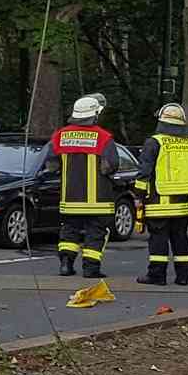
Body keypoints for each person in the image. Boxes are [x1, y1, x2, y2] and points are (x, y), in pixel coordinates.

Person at [40, 95, 120, 278]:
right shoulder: (103, 137)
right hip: (97, 200)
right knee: (96, 232)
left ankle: (66, 265)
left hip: (70, 198)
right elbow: (111, 165)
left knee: (69, 231)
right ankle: (91, 269)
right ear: (94, 115)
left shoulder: (60, 135)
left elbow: (51, 165)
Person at [133, 103, 188, 286]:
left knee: (158, 238)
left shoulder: (155, 142)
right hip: (184, 203)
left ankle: (157, 275)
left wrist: (138, 195)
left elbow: (144, 172)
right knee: (180, 237)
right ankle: (183, 276)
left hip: (160, 201)